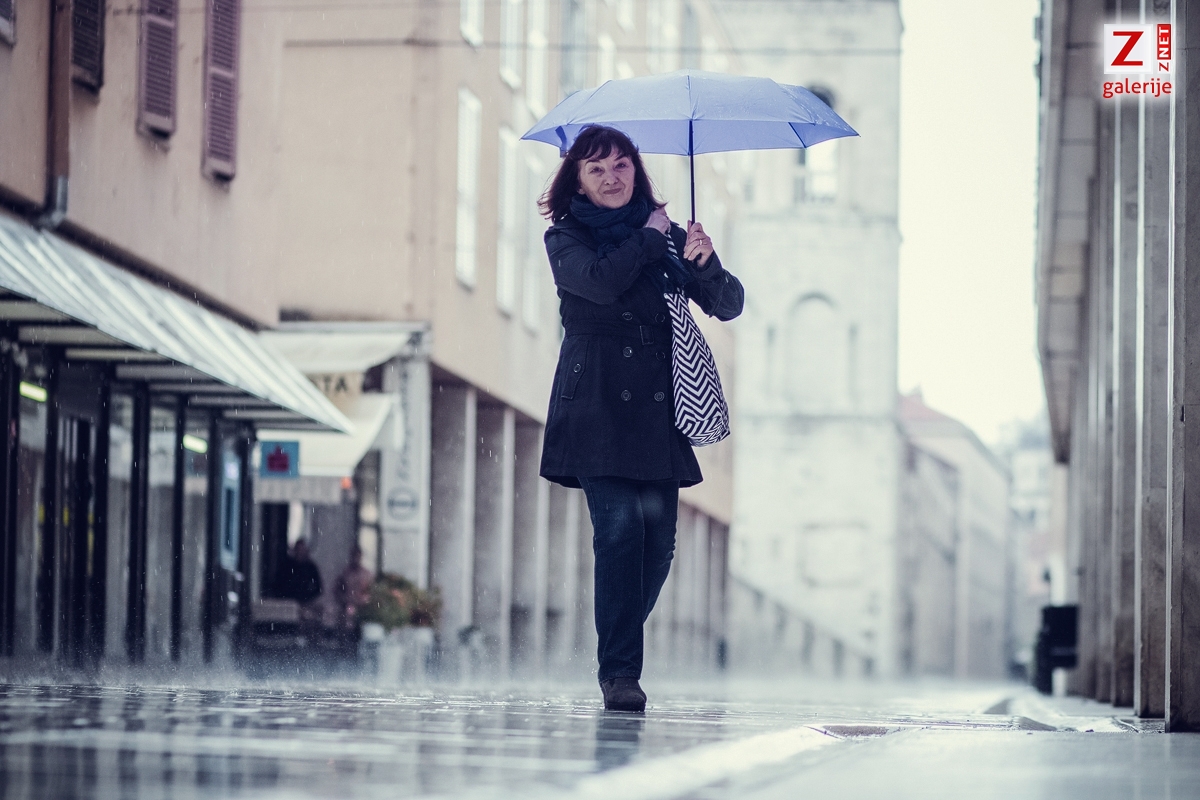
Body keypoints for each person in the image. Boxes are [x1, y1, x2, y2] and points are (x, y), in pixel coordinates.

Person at [537, 125, 744, 712]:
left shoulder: (669, 236)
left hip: (658, 410)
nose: (611, 178)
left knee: (660, 545)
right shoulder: (566, 236)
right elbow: (600, 285)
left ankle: (617, 629)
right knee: (621, 530)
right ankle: (621, 673)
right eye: (596, 169)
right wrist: (652, 240)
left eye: (621, 165)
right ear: (578, 180)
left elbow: (729, 305)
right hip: (595, 402)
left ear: (637, 171)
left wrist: (705, 262)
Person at [334, 544, 374, 628]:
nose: (356, 559)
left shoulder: (366, 574)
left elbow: (371, 592)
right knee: (347, 625)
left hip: (363, 608)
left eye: (358, 556)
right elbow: (337, 590)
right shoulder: (345, 573)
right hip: (347, 607)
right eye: (354, 556)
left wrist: (365, 602)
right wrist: (344, 601)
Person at [275, 538, 323, 606]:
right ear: (295, 551)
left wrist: (308, 599)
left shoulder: (311, 568)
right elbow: (280, 586)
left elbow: (317, 588)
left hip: (306, 603)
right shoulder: (287, 567)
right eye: (299, 550)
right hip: (289, 603)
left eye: (302, 550)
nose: (300, 552)